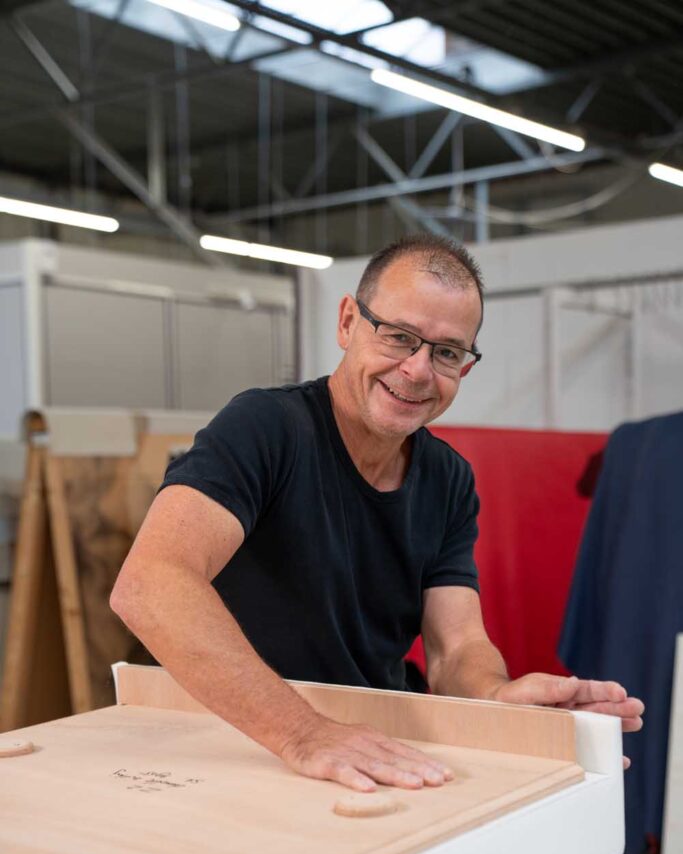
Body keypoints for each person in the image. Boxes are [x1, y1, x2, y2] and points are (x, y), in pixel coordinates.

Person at [110, 234, 643, 792]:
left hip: (364, 743)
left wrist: (496, 699)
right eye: (399, 337)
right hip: (237, 739)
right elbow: (150, 584)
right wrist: (303, 733)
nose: (417, 370)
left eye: (447, 352)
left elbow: (456, 646)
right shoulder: (266, 429)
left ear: (465, 367)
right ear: (348, 323)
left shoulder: (449, 480)